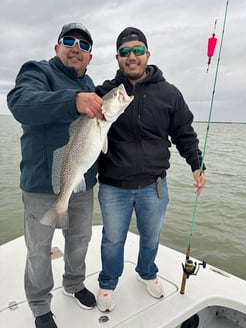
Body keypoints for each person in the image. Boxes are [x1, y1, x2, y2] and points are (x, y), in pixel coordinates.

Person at [95, 27, 207, 312]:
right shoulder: (104, 92)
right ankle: (108, 283)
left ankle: (146, 272)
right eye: (124, 52)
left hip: (154, 186)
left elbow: (184, 132)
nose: (131, 57)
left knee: (151, 236)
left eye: (137, 51)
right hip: (113, 186)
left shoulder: (169, 93)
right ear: (117, 58)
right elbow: (82, 128)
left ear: (147, 54)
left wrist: (197, 165)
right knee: (112, 239)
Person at [7, 22, 103, 328]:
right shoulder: (37, 72)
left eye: (84, 45)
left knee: (80, 239)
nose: (76, 47)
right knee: (39, 248)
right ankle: (38, 303)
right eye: (69, 41)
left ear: (90, 57)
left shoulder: (91, 85)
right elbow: (20, 103)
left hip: (81, 183)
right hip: (39, 184)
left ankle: (74, 284)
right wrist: (72, 101)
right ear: (57, 47)